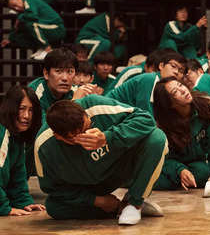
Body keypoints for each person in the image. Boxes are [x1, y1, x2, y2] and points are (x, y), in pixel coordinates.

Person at [35, 95, 168, 224]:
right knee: (54, 207)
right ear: (58, 137)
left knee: (156, 138)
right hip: (87, 186)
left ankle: (134, 203)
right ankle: (118, 208)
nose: (87, 135)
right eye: (77, 137)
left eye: (88, 127)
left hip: (118, 168)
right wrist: (96, 200)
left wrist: (107, 137)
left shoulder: (95, 105)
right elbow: (53, 189)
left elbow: (146, 119)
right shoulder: (44, 147)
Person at [151, 78, 210, 196]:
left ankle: (183, 181)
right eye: (175, 92)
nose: (182, 90)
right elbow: (162, 159)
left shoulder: (205, 105)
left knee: (202, 171)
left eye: (180, 85)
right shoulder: (164, 123)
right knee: (154, 178)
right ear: (169, 103)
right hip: (171, 165)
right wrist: (179, 170)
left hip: (195, 164)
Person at [0, 85, 45, 216]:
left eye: (31, 110)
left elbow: (17, 176)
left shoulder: (17, 137)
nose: (27, 116)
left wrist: (24, 202)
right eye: (21, 109)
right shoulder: (1, 132)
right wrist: (4, 208)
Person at [106, 51, 186, 114]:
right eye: (173, 66)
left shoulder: (165, 87)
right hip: (108, 110)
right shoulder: (151, 78)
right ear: (161, 66)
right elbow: (145, 114)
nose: (176, 72)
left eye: (181, 70)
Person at [28, 48, 93, 115]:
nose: (65, 78)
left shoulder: (76, 91)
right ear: (46, 74)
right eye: (58, 71)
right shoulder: (35, 93)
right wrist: (74, 103)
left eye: (70, 71)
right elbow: (47, 125)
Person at [1, 0, 66, 60]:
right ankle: (41, 47)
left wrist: (20, 18)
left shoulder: (29, 0)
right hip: (45, 28)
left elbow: (32, 16)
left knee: (31, 25)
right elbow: (18, 27)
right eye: (13, 8)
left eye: (15, 5)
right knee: (18, 37)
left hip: (56, 28)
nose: (16, 8)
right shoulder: (23, 11)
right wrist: (10, 39)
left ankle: (47, 49)